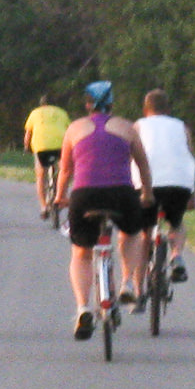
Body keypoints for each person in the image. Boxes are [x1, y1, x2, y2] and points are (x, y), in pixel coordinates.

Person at [54, 81, 154, 340]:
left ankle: (83, 308)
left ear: (88, 104)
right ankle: (128, 283)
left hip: (84, 195)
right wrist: (147, 194)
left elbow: (66, 170)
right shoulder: (126, 127)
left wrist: (59, 197)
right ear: (111, 104)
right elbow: (143, 165)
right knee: (131, 233)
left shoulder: (75, 128)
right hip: (121, 193)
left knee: (81, 253)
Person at [132, 88, 195, 283]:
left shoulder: (137, 126)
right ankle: (176, 255)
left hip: (147, 187)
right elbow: (190, 159)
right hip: (179, 185)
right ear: (168, 109)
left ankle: (137, 292)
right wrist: (192, 195)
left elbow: (129, 157)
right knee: (176, 222)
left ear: (145, 109)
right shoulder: (182, 127)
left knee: (144, 235)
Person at [23, 94, 71, 219]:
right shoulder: (62, 113)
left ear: (41, 104)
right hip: (60, 146)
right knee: (63, 170)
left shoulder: (35, 113)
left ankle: (44, 207)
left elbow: (28, 133)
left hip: (41, 146)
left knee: (41, 175)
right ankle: (60, 196)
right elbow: (69, 130)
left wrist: (26, 147)